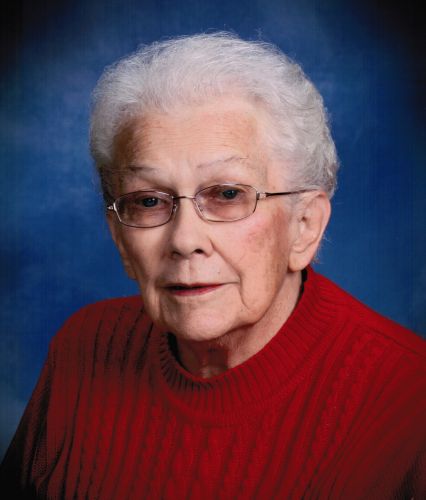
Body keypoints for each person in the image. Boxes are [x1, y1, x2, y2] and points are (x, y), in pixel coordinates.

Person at [1, 32, 425, 499]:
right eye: (148, 200)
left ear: (304, 226)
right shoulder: (83, 348)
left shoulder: (410, 404)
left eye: (227, 194)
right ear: (120, 236)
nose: (184, 240)